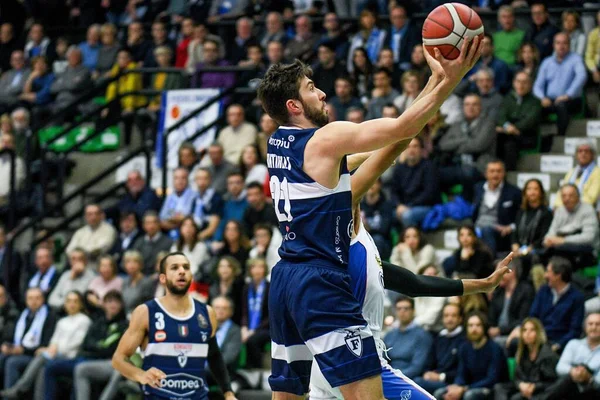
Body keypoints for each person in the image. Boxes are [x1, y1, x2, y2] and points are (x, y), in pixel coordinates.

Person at [258, 37, 482, 398]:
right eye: (312, 89)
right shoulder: (324, 140)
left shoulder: (277, 143)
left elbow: (384, 147)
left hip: (285, 280)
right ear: (294, 105)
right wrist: (452, 80)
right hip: (321, 281)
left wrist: (432, 82)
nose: (323, 95)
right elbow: (401, 129)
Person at [111, 252, 237, 400]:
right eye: (175, 268)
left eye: (186, 267)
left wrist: (228, 392)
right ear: (163, 278)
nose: (182, 271)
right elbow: (119, 359)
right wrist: (141, 375)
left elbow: (214, 356)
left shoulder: (207, 313)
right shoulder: (145, 312)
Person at [0, 291, 91, 399]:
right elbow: (54, 340)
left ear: (80, 304)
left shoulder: (84, 320)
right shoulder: (62, 321)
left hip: (71, 356)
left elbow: (76, 343)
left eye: (75, 301)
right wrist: (51, 348)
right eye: (69, 301)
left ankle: (20, 388)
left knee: (42, 357)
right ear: (65, 304)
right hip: (55, 354)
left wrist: (53, 350)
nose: (72, 304)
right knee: (43, 367)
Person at [42, 290, 127, 400]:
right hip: (86, 357)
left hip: (105, 361)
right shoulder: (98, 322)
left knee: (80, 368)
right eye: (109, 301)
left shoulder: (124, 325)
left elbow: (110, 349)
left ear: (121, 305)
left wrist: (96, 347)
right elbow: (86, 343)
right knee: (50, 366)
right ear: (104, 304)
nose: (113, 305)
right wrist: (98, 347)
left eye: (116, 302)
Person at [433, 312, 508, 400]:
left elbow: (492, 379)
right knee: (439, 393)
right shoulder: (465, 347)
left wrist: (464, 389)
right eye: (470, 325)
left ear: (484, 327)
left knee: (469, 396)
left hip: (491, 388)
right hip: (469, 386)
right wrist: (457, 387)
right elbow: (461, 373)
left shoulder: (494, 348)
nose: (474, 329)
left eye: (478, 325)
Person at [0, 288, 56, 391]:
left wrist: (24, 350)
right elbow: (12, 336)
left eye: (37, 298)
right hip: (18, 351)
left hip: (34, 355)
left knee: (12, 362)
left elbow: (45, 344)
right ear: (26, 300)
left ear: (43, 299)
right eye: (30, 298)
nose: (33, 301)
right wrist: (7, 345)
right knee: (2, 356)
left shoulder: (49, 317)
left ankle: (11, 395)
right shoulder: (22, 315)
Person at [533, 32, 587, 137]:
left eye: (564, 43)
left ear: (569, 45)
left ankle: (560, 137)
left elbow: (582, 76)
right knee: (533, 107)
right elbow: (537, 86)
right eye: (558, 43)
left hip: (571, 100)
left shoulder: (576, 59)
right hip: (550, 100)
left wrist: (567, 95)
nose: (561, 46)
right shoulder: (547, 62)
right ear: (553, 45)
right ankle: (540, 139)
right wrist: (542, 98)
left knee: (561, 106)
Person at [493, 317, 558, 400]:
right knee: (499, 387)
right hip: (524, 386)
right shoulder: (522, 351)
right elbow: (516, 377)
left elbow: (553, 383)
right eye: (524, 330)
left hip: (540, 390)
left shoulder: (547, 355)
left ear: (538, 333)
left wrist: (534, 386)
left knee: (516, 398)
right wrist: (520, 384)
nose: (527, 333)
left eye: (532, 330)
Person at [543, 184, 599, 270]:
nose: (567, 199)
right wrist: (547, 240)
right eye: (564, 196)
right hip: (561, 249)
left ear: (578, 197)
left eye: (570, 195)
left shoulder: (588, 210)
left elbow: (589, 238)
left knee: (559, 252)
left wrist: (563, 240)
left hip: (586, 251)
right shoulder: (560, 210)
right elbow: (551, 232)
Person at [471, 160, 522, 255]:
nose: (495, 174)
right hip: (477, 229)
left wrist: (510, 227)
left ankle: (491, 261)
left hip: (500, 233)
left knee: (486, 231)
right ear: (486, 174)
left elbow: (521, 216)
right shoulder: (478, 188)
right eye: (492, 171)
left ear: (504, 173)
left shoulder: (514, 192)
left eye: (498, 171)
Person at [414, 304, 466, 395]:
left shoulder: (465, 340)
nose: (449, 319)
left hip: (452, 382)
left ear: (460, 318)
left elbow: (464, 370)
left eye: (453, 315)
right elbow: (428, 362)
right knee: (417, 381)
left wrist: (441, 377)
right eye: (446, 316)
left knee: (417, 383)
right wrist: (427, 373)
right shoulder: (439, 338)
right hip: (435, 379)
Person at [546, 312, 600, 399]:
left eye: (598, 324)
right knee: (567, 380)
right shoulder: (574, 344)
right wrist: (574, 371)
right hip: (570, 386)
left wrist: (588, 377)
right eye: (590, 324)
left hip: (592, 390)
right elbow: (560, 367)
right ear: (585, 327)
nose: (593, 327)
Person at [496, 72, 542, 171]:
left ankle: (509, 172)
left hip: (526, 136)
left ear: (530, 84)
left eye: (524, 82)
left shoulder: (535, 102)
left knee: (510, 144)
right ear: (514, 83)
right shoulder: (508, 99)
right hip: (507, 133)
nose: (521, 85)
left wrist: (511, 128)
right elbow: (501, 116)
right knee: (495, 138)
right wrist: (507, 126)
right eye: (518, 81)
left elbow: (529, 121)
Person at [390, 137, 440, 228]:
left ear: (421, 149)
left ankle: (414, 239)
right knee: (387, 215)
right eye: (408, 147)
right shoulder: (399, 169)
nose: (411, 150)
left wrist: (409, 206)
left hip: (425, 206)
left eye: (415, 146)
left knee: (407, 216)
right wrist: (398, 205)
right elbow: (394, 191)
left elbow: (429, 194)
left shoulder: (429, 167)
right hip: (404, 207)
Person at [384, 296, 433, 379]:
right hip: (390, 376)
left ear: (413, 311)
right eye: (399, 308)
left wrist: (394, 377)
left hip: (410, 379)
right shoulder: (390, 335)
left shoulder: (422, 336)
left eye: (406, 308)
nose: (402, 312)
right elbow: (383, 361)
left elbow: (417, 368)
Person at [488, 261, 535, 346]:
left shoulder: (526, 291)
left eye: (498, 272)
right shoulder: (497, 292)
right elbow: (491, 318)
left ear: (511, 271)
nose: (496, 276)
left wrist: (500, 330)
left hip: (515, 333)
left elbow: (523, 319)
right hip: (495, 335)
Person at [511, 179, 553, 272]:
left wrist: (527, 250)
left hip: (536, 251)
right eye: (529, 189)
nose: (532, 192)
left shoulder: (546, 213)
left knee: (521, 261)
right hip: (519, 249)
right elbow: (515, 231)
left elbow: (543, 236)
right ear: (525, 192)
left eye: (535, 189)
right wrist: (515, 245)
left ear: (541, 193)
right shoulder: (521, 211)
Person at [241, 258, 270, 369]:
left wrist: (254, 330)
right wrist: (243, 328)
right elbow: (244, 311)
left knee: (253, 340)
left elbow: (271, 316)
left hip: (266, 328)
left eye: (260, 267)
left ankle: (255, 370)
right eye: (254, 267)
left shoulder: (269, 287)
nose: (257, 270)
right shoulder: (247, 288)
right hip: (248, 328)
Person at [553, 142, 600, 208]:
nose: (583, 154)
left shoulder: (597, 172)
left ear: (592, 155)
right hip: (566, 209)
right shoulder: (571, 171)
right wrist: (558, 206)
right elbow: (561, 192)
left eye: (586, 151)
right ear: (576, 155)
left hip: (586, 210)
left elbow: (591, 198)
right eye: (580, 151)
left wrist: (571, 206)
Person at [210, 296, 242, 375]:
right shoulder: (204, 328)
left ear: (231, 311)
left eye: (224, 308)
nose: (220, 311)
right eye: (217, 308)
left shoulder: (235, 331)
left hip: (221, 372)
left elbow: (229, 357)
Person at [192, 168, 223, 241]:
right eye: (199, 179)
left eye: (205, 178)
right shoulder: (195, 199)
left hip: (209, 239)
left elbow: (213, 227)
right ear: (195, 181)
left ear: (210, 180)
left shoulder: (216, 198)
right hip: (194, 237)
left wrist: (195, 239)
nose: (202, 182)